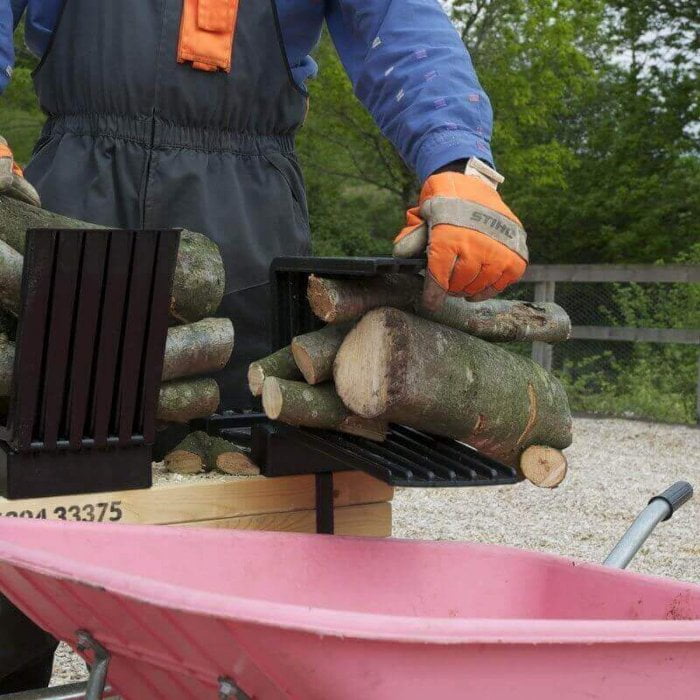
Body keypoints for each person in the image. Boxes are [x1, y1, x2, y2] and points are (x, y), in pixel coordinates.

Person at [0, 0, 528, 691]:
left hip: (246, 221)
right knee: (24, 498)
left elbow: (396, 22)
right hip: (70, 198)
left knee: (243, 500)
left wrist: (461, 160)